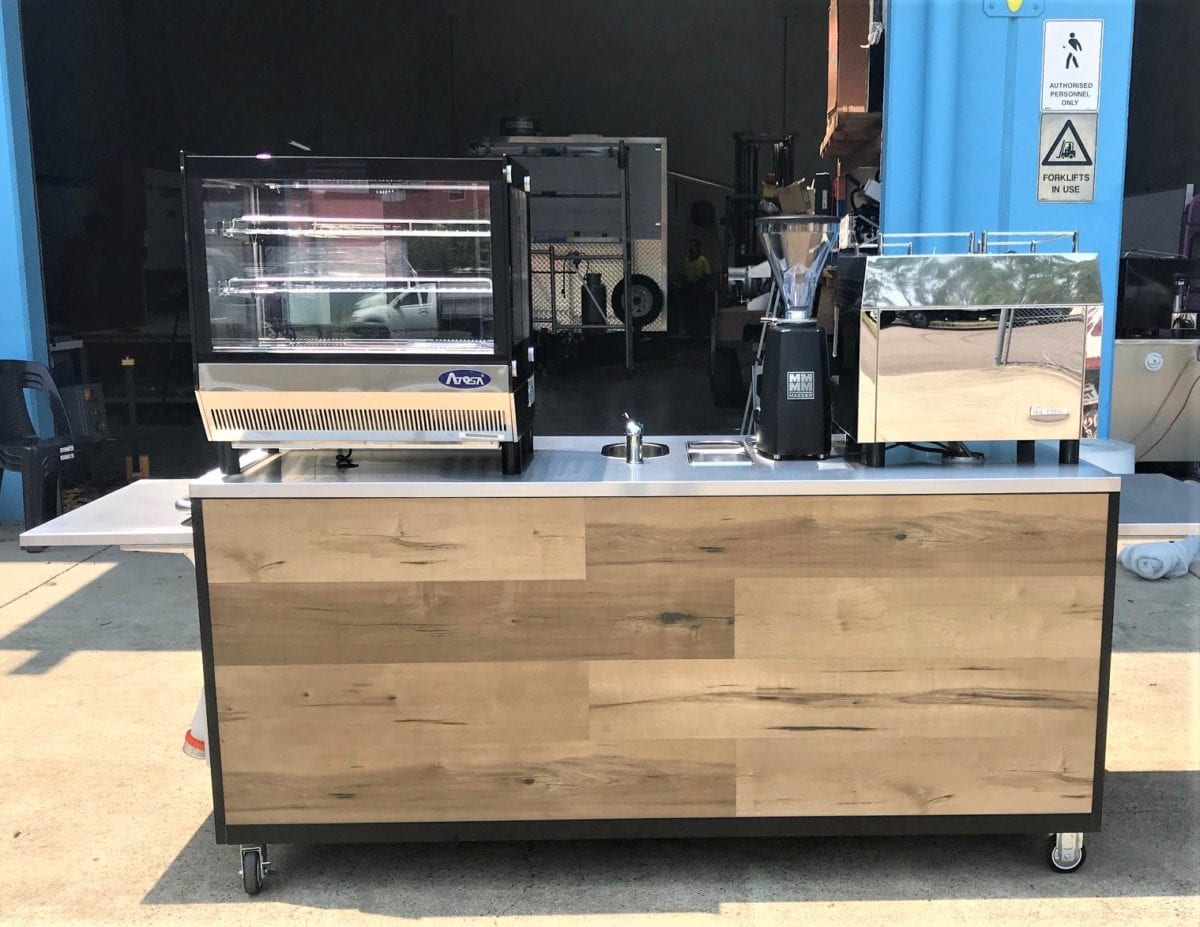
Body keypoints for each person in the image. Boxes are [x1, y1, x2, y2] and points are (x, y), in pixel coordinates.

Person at [681, 237, 713, 339]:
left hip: (699, 290)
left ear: (698, 248)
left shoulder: (703, 260)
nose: (691, 248)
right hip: (688, 290)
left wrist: (699, 282)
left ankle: (699, 333)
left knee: (698, 312)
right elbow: (682, 275)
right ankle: (690, 332)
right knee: (688, 312)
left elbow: (707, 275)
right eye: (690, 246)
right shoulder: (686, 261)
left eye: (693, 246)